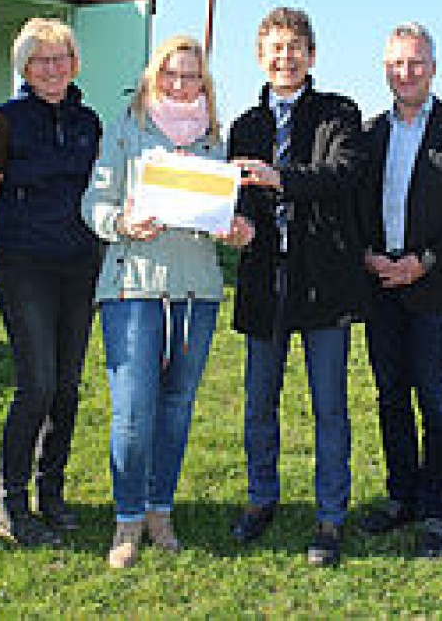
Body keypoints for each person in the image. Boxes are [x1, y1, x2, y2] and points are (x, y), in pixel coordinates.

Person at [81, 34, 252, 569]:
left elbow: (225, 213)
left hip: (196, 291)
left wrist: (236, 230)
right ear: (154, 76)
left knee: (176, 408)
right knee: (133, 411)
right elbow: (94, 202)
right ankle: (127, 519)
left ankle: (160, 510)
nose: (180, 84)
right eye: (170, 73)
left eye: (191, 75)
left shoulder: (216, 140)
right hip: (133, 287)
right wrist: (121, 222)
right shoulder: (126, 129)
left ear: (204, 83)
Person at [228, 7, 366, 567]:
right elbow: (238, 197)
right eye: (275, 48)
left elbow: (343, 175)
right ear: (260, 56)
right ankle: (261, 498)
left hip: (323, 281)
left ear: (311, 55)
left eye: (294, 47)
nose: (285, 58)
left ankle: (330, 515)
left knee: (329, 407)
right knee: (259, 402)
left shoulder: (339, 113)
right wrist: (237, 223)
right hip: (265, 279)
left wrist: (280, 178)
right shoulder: (244, 125)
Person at [357, 22, 442, 558]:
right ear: (384, 69)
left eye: (415, 63)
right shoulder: (369, 133)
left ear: (433, 68)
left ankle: (436, 513)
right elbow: (355, 206)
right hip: (380, 286)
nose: (405, 72)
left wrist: (424, 263)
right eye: (396, 63)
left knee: (435, 400)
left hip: (433, 288)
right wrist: (368, 256)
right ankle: (402, 497)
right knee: (390, 397)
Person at [0, 18, 103, 547]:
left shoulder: (89, 123)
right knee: (37, 385)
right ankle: (12, 502)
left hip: (80, 266)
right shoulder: (2, 123)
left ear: (74, 63)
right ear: (24, 68)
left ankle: (52, 493)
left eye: (60, 58)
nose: (51, 68)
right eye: (40, 60)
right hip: (24, 266)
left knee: (67, 388)